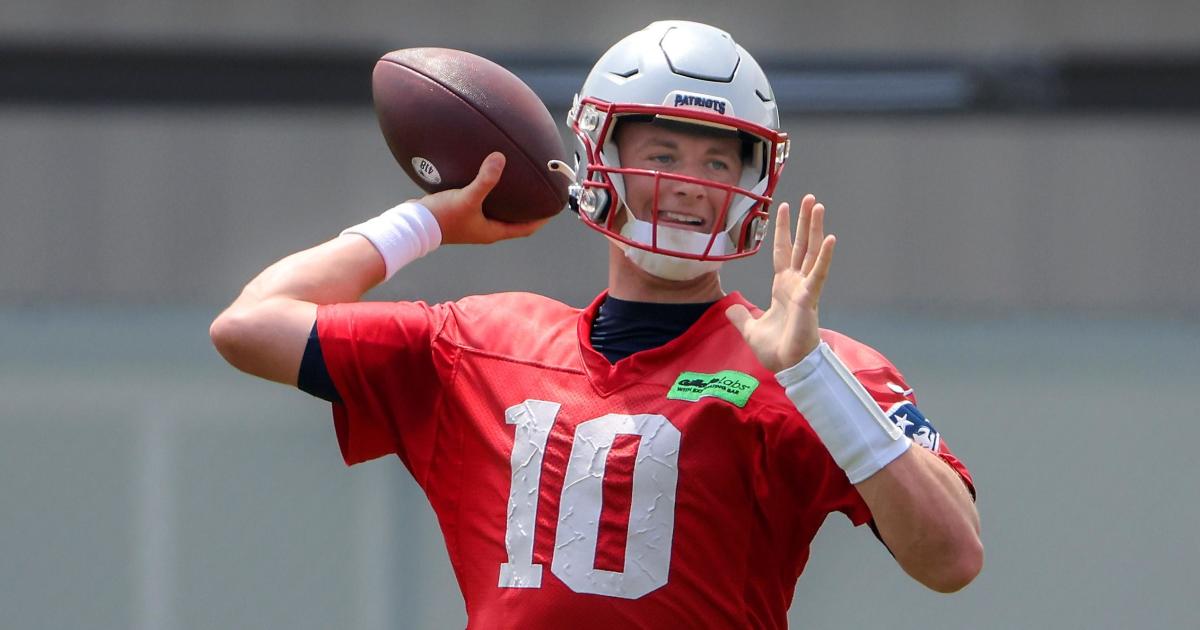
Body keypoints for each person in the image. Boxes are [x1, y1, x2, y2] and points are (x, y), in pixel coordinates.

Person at [210, 20, 982, 629]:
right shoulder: (480, 343)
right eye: (664, 153)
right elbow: (250, 324)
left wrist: (815, 379)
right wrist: (427, 222)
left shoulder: (810, 368)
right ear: (598, 158)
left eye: (717, 164)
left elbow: (952, 559)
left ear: (751, 183)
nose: (688, 184)